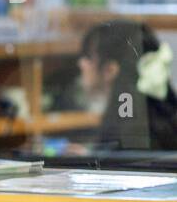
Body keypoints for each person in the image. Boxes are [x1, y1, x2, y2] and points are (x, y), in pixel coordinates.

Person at [68, 19, 177, 154]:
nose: (82, 63)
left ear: (110, 70)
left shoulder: (129, 129)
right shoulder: (157, 120)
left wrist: (93, 159)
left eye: (88, 57)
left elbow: (126, 162)